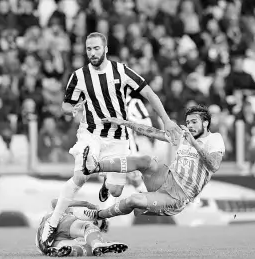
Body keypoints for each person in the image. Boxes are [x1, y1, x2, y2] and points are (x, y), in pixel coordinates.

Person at [41, 31, 181, 247]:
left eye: (96, 48)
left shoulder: (121, 71)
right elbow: (65, 104)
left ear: (105, 49)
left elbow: (149, 93)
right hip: (91, 134)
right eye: (89, 49)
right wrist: (72, 108)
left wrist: (167, 121)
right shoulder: (78, 76)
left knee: (116, 191)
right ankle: (53, 222)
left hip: (118, 139)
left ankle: (107, 184)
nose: (92, 52)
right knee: (79, 177)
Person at [82, 105, 225, 218]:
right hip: (165, 178)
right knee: (146, 160)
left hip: (178, 196)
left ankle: (99, 215)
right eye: (188, 122)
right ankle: (95, 166)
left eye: (194, 122)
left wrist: (194, 143)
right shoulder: (183, 136)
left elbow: (214, 165)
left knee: (134, 201)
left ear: (205, 123)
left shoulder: (214, 138)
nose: (190, 126)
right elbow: (151, 132)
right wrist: (124, 122)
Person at [35, 199, 128, 257]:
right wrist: (85, 203)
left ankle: (69, 251)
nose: (94, 227)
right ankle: (97, 244)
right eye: (95, 222)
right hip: (53, 224)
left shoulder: (79, 235)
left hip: (44, 245)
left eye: (96, 226)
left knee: (85, 248)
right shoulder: (68, 212)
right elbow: (55, 202)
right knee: (86, 226)